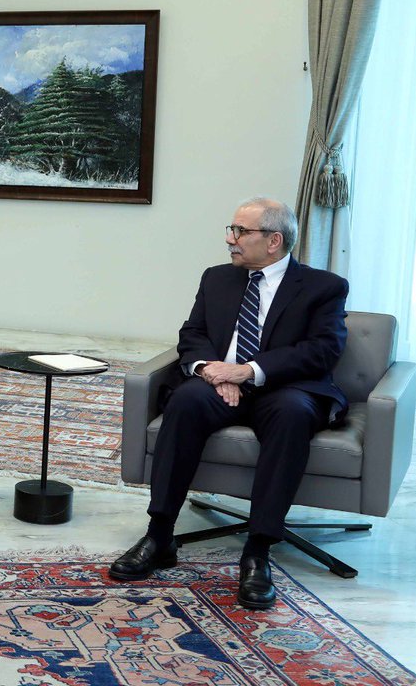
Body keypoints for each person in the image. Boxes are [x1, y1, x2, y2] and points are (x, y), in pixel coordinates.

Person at [109, 197, 348, 610]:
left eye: (240, 232)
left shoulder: (323, 287)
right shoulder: (217, 278)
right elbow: (193, 334)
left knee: (293, 415)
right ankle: (159, 534)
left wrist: (248, 371)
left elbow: (322, 351)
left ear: (274, 241)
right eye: (230, 230)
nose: (229, 240)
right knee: (184, 401)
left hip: (284, 387)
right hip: (220, 381)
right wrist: (211, 371)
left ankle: (258, 550)